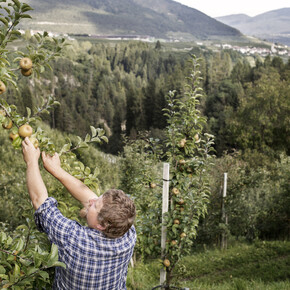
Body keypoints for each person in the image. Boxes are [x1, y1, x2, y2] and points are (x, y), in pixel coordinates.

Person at [21, 137, 136, 289]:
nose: (91, 201)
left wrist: (31, 161)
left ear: (101, 225)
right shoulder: (127, 235)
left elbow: (39, 201)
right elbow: (88, 197)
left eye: (96, 205)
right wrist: (57, 170)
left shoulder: (73, 240)